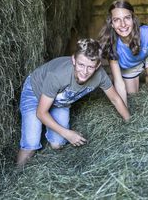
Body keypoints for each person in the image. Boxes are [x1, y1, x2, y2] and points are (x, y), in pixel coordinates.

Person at [16, 38, 130, 166]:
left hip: (61, 99)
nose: (84, 72)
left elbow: (115, 99)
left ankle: (50, 133)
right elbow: (41, 113)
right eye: (81, 65)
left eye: (90, 67)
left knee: (57, 144)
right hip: (35, 92)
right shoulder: (58, 75)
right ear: (74, 60)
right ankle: (17, 174)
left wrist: (130, 123)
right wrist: (68, 134)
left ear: (98, 65)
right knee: (31, 144)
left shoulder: (100, 75)